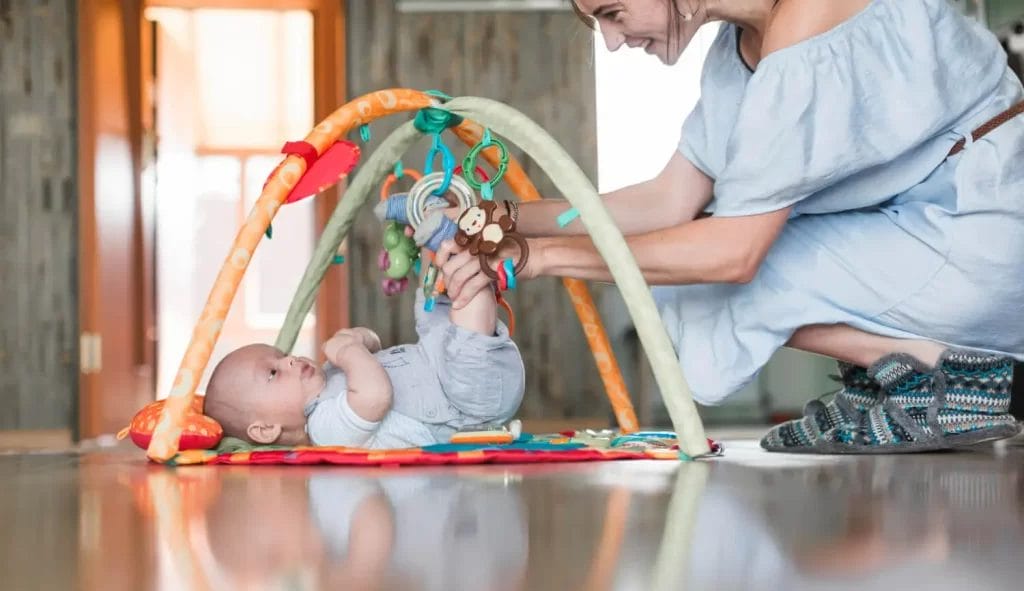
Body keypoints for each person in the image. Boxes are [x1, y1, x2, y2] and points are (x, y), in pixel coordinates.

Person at [431, 0, 1024, 454]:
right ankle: (904, 376)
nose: (612, 41)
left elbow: (733, 254)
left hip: (985, 224)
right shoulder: (736, 49)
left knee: (705, 266)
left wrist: (537, 257)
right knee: (683, 264)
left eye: (612, 13)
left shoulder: (808, 22)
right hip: (925, 225)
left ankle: (941, 377)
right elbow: (666, 201)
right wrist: (502, 217)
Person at [203, 285, 525, 449]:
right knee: (466, 312)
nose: (289, 360)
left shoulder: (331, 372)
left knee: (430, 302)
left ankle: (440, 241)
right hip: (466, 401)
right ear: (266, 429)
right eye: (273, 373)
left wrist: (356, 338)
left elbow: (374, 343)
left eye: (281, 354)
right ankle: (473, 263)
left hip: (443, 364)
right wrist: (348, 350)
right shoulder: (324, 427)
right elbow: (375, 395)